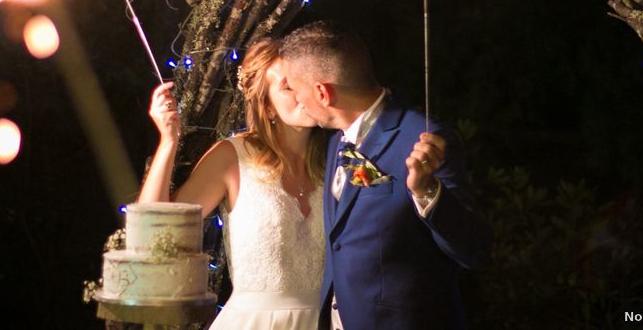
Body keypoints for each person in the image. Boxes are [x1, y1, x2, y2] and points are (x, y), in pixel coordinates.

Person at [279, 20, 489, 330]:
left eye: (295, 90)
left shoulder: (422, 138)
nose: (296, 100)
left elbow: (474, 249)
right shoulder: (338, 140)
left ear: (322, 92)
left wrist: (426, 191)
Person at [138, 37, 329, 330]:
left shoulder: (333, 161)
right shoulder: (233, 156)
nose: (301, 93)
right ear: (267, 107)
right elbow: (155, 231)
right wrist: (168, 141)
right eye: (287, 87)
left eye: (303, 80)